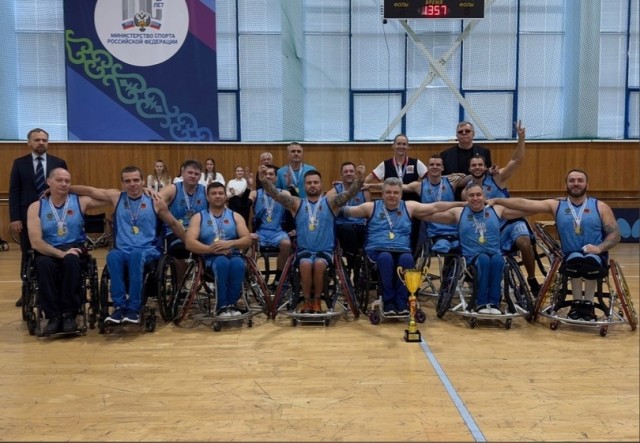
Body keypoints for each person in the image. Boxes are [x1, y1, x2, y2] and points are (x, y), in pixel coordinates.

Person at [489, 169, 621, 321]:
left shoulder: (600, 206)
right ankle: (577, 303)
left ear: (587, 184)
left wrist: (599, 248)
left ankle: (588, 304)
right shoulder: (557, 205)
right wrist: (498, 200)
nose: (576, 183)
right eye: (572, 180)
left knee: (590, 262)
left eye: (580, 180)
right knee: (575, 261)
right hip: (570, 255)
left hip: (596, 254)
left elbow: (615, 234)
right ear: (566, 185)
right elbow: (525, 203)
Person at [71, 166, 185, 324]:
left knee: (136, 255)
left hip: (147, 250)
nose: (132, 184)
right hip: (122, 250)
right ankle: (119, 306)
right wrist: (64, 188)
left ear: (143, 181)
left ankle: (134, 308)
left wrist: (189, 242)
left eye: (136, 180)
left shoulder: (155, 201)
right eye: (128, 181)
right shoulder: (116, 197)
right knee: (112, 255)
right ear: (122, 183)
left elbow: (173, 223)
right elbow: (90, 191)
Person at [342, 177, 465, 315]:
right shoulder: (371, 207)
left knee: (407, 259)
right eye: (388, 192)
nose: (392, 195)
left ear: (401, 194)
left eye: (395, 192)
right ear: (382, 194)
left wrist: (462, 203)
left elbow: (435, 207)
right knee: (386, 258)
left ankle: (401, 302)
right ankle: (388, 302)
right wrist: (331, 205)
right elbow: (346, 211)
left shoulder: (409, 206)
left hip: (401, 249)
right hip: (377, 250)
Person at [259, 164, 365, 314]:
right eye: (309, 183)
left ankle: (317, 300)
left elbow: (348, 194)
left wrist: (360, 180)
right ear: (304, 186)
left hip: (325, 251)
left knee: (319, 264)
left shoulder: (330, 202)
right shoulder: (296, 203)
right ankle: (307, 301)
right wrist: (264, 180)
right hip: (304, 251)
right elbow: (276, 195)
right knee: (305, 264)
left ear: (321, 184)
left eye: (315, 182)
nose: (312, 185)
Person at [424, 183, 537, 315]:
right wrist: (458, 204)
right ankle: (482, 302)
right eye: (471, 195)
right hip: (472, 257)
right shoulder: (459, 212)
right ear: (466, 198)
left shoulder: (496, 210)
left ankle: (494, 303)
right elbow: (428, 214)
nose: (475, 198)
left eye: (478, 195)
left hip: (494, 254)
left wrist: (498, 200)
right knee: (483, 260)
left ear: (484, 196)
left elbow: (529, 208)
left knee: (498, 260)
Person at [461, 121, 541, 295]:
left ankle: (531, 278)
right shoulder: (467, 189)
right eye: (474, 165)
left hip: (509, 222)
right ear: (469, 168)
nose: (477, 167)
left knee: (524, 242)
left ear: (485, 167)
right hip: (487, 228)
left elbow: (516, 161)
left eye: (480, 165)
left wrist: (521, 138)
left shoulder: (497, 178)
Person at [26, 168, 104, 334]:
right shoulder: (36, 207)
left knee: (72, 260)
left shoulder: (80, 201)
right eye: (59, 180)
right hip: (48, 250)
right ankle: (53, 316)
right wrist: (60, 254)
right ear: (48, 182)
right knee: (43, 264)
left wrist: (73, 188)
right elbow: (36, 242)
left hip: (73, 248)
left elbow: (109, 197)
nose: (64, 184)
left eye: (67, 181)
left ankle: (69, 315)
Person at [9, 128, 68, 308]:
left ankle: (56, 289)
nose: (41, 143)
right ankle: (26, 292)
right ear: (29, 142)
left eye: (44, 140)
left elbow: (65, 189)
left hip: (54, 215)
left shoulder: (58, 163)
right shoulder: (20, 163)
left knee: (54, 250)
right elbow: (14, 191)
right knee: (27, 252)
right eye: (37, 140)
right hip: (27, 216)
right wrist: (15, 218)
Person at [185, 182, 252, 317]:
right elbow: (189, 243)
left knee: (238, 264)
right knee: (222, 263)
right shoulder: (198, 217)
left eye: (221, 193)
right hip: (210, 257)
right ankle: (221, 306)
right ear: (207, 197)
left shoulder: (236, 216)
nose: (217, 196)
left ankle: (232, 304)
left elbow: (247, 240)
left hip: (233, 254)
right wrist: (212, 249)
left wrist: (230, 243)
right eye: (214, 193)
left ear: (226, 196)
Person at [365, 133, 428, 251]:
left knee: (413, 234)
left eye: (404, 144)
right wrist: (350, 185)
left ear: (408, 146)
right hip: (391, 207)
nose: (401, 146)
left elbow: (431, 180)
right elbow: (367, 180)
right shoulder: (385, 164)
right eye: (398, 144)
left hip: (411, 207)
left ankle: (411, 258)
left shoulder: (416, 163)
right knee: (392, 233)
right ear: (393, 146)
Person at [403, 153, 468, 253]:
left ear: (442, 168)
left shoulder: (452, 182)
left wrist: (461, 175)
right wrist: (375, 185)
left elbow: (473, 177)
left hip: (454, 230)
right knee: (443, 247)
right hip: (434, 232)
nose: (435, 167)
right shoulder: (419, 186)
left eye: (438, 165)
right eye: (432, 164)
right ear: (427, 167)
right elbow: (397, 186)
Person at [158, 160, 208, 281]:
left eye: (196, 174)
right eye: (190, 172)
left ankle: (208, 278)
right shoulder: (173, 189)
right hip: (175, 232)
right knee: (180, 250)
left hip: (199, 232)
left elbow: (221, 209)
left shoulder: (205, 191)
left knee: (217, 246)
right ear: (182, 173)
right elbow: (155, 202)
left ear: (200, 176)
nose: (193, 176)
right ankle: (181, 284)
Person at [248, 164, 291, 288]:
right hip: (260, 232)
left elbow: (295, 206)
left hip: (278, 232)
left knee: (286, 244)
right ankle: (249, 277)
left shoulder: (284, 193)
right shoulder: (255, 194)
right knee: (247, 243)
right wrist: (248, 187)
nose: (268, 176)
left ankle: (278, 278)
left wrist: (290, 186)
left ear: (276, 178)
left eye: (271, 174)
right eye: (265, 174)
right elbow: (245, 206)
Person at [325, 161, 371, 262]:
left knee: (370, 231)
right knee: (348, 229)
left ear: (355, 174)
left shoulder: (364, 191)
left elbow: (369, 213)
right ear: (341, 175)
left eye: (351, 171)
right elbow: (325, 209)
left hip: (360, 225)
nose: (349, 173)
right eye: (346, 172)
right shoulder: (333, 192)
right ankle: (353, 259)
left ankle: (367, 260)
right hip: (342, 226)